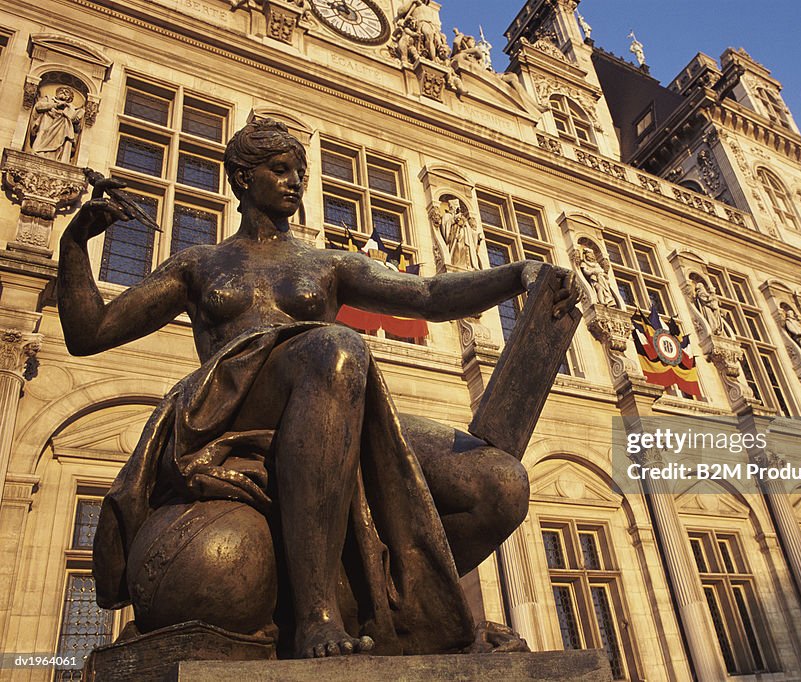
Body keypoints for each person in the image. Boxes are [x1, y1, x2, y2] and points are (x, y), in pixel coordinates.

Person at [57, 118, 577, 659]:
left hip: (329, 404)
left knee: (499, 482)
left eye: (301, 173)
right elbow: (90, 333)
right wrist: (75, 242)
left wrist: (515, 274)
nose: (295, 182)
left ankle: (386, 612)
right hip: (230, 413)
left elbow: (426, 294)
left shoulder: (325, 263)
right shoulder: (199, 263)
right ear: (241, 178)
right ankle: (315, 615)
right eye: (280, 170)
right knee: (335, 347)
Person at [30, 86, 83, 162]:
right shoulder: (49, 99)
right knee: (41, 137)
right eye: (61, 90)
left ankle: (58, 157)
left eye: (67, 92)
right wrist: (56, 105)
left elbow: (77, 130)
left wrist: (76, 122)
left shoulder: (72, 109)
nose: (64, 91)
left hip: (62, 132)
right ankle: (38, 152)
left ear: (70, 98)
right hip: (46, 126)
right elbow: (38, 106)